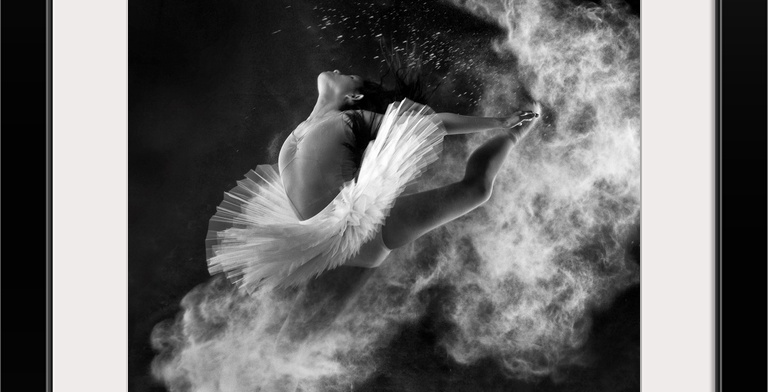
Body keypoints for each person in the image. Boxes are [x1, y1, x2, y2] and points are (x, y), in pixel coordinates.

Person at [206, 69, 540, 295]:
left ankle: (515, 132)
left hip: (353, 232)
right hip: (340, 237)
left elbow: (432, 123)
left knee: (477, 189)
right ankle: (513, 136)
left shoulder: (350, 118)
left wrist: (499, 120)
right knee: (476, 190)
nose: (338, 71)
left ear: (352, 98)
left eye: (347, 76)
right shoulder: (308, 126)